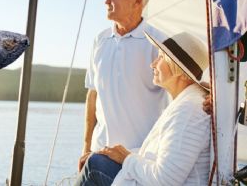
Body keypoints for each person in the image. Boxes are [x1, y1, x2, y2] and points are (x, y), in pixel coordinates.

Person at [75, 31, 211, 185]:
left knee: (95, 165)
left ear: (180, 71)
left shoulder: (188, 111)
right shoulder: (186, 103)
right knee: (98, 160)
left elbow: (165, 180)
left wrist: (126, 158)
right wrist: (112, 153)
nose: (152, 64)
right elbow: (155, 156)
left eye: (161, 58)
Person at [80, 0, 169, 170]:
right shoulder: (99, 40)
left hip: (140, 159)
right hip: (98, 156)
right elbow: (92, 95)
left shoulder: (160, 43)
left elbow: (182, 93)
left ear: (138, 1)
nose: (106, 1)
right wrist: (86, 148)